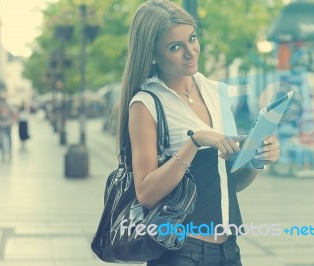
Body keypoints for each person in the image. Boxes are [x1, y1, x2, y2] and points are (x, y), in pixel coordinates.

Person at [116, 1, 280, 265]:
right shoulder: (147, 104)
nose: (190, 52)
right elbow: (145, 193)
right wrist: (193, 143)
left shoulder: (216, 91)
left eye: (191, 38)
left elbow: (228, 186)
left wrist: (256, 162)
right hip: (181, 252)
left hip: (229, 251)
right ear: (153, 54)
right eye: (175, 47)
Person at [0, 96, 16, 160]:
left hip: (1, 125)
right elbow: (14, 113)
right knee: (9, 138)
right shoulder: (9, 106)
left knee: (2, 139)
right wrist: (11, 121)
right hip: (7, 124)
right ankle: (9, 151)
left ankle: (3, 152)